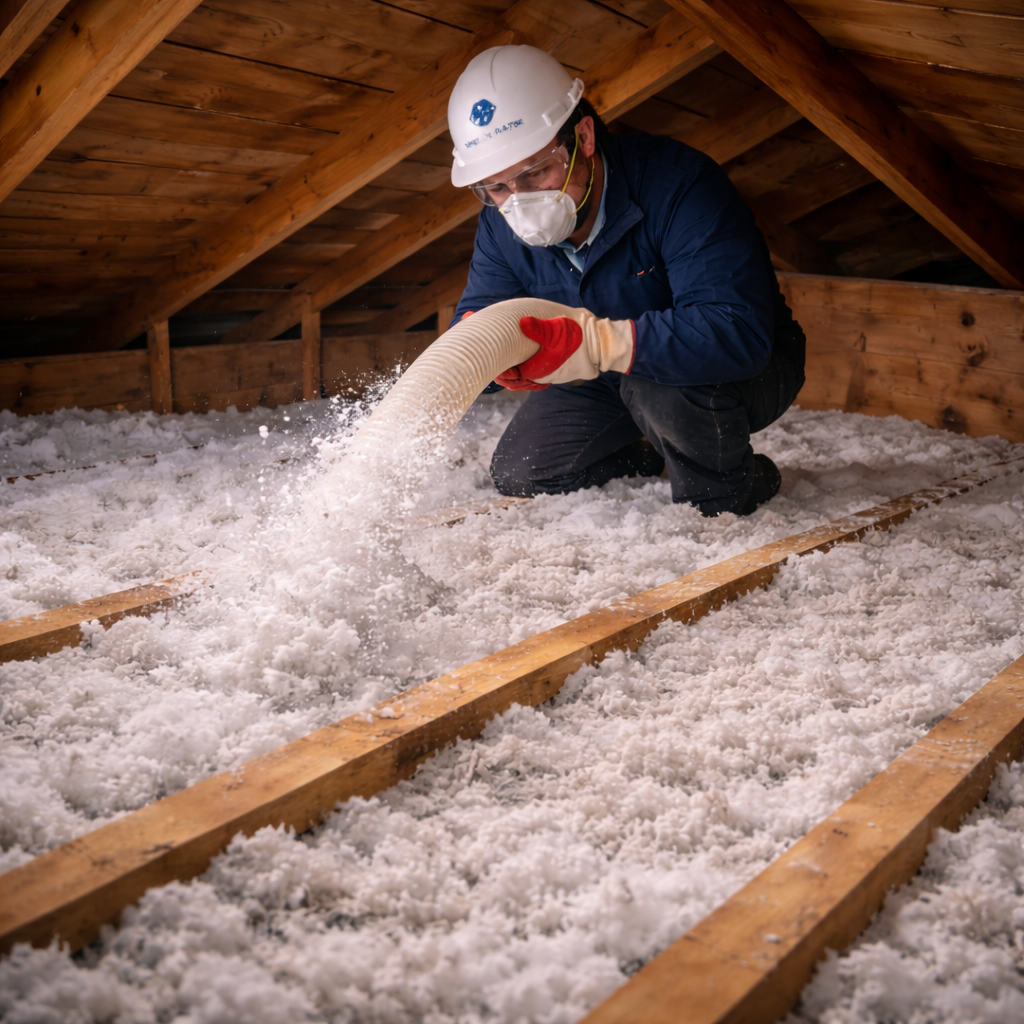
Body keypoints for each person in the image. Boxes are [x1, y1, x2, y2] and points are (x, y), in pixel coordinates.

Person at [447, 45, 806, 516]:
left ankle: (736, 485)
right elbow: (478, 313)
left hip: (743, 366)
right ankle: (652, 448)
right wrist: (486, 354)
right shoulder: (499, 223)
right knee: (522, 470)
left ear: (585, 136)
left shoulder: (680, 186)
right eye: (496, 187)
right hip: (606, 373)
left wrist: (594, 344)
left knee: (659, 392)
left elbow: (735, 330)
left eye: (536, 173)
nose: (519, 201)